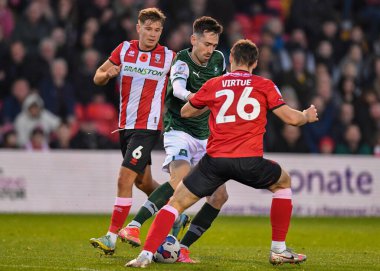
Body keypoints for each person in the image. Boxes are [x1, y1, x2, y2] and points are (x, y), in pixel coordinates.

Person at [126, 39, 319, 268]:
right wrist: (307, 115)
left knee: (176, 203)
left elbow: (186, 112)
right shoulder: (264, 85)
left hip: (214, 162)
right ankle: (278, 249)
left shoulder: (215, 84)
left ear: (230, 60)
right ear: (254, 63)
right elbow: (292, 119)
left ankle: (145, 255)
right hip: (249, 161)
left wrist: (211, 103)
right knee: (283, 182)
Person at [118, 16, 229, 263]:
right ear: (194, 40)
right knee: (181, 182)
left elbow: (225, 86)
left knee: (219, 195)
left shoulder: (220, 60)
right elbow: (178, 90)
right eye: (206, 44)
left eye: (214, 44)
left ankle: (182, 247)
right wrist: (199, 98)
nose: (210, 50)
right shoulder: (181, 60)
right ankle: (134, 225)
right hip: (178, 130)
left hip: (205, 136)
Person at [89, 7, 176, 255]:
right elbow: (97, 76)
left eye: (157, 30)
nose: (152, 34)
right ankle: (174, 211)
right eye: (148, 29)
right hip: (125, 126)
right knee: (143, 181)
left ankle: (111, 237)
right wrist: (107, 74)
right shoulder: (125, 49)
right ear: (138, 28)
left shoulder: (169, 57)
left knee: (123, 179)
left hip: (147, 128)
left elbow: (183, 80)